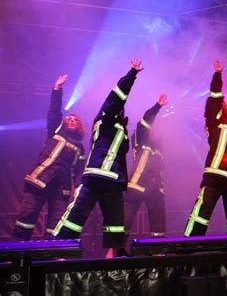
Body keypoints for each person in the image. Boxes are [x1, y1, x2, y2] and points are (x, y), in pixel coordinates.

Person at [53, 60, 144, 257]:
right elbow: (116, 97)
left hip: (114, 180)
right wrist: (132, 74)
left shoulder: (122, 130)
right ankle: (60, 249)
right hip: (96, 175)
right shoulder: (104, 119)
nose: (120, 109)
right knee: (77, 214)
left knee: (116, 222)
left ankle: (116, 253)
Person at [12, 75, 86, 240]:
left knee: (55, 226)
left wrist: (77, 188)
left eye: (75, 119)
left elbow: (79, 171)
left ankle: (52, 257)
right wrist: (57, 89)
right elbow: (54, 111)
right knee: (26, 220)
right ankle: (17, 257)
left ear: (79, 125)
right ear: (64, 123)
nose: (72, 120)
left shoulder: (80, 147)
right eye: (69, 118)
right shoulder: (55, 132)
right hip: (40, 180)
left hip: (62, 188)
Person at [184, 61, 227, 236]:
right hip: (215, 174)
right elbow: (215, 97)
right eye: (226, 103)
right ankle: (188, 247)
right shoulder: (214, 121)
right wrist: (218, 75)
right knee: (201, 215)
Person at [125, 94, 168, 241]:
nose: (154, 132)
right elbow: (144, 124)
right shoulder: (139, 140)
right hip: (136, 185)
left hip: (156, 189)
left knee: (158, 227)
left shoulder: (159, 150)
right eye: (152, 129)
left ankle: (157, 255)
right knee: (124, 222)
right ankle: (114, 254)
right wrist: (157, 107)